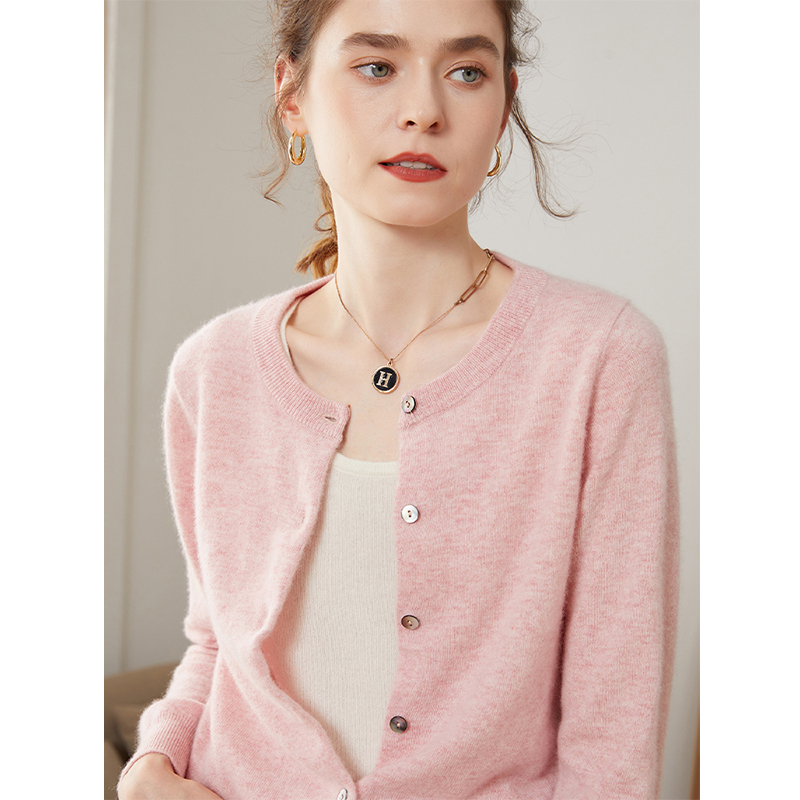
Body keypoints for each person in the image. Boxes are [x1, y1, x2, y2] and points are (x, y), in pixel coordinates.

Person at [117, 0, 679, 798]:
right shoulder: (213, 370)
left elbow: (613, 732)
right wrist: (150, 765)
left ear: (504, 105)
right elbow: (216, 643)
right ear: (292, 96)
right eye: (377, 66)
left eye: (467, 71)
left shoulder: (599, 357)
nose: (424, 110)